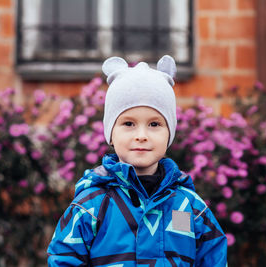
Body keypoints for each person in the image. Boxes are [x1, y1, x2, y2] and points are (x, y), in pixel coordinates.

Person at [47, 55, 227, 266]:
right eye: (129, 124)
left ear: (169, 134)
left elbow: (214, 259)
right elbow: (63, 259)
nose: (141, 135)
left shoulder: (190, 208)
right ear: (110, 134)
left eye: (154, 124)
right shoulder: (92, 206)